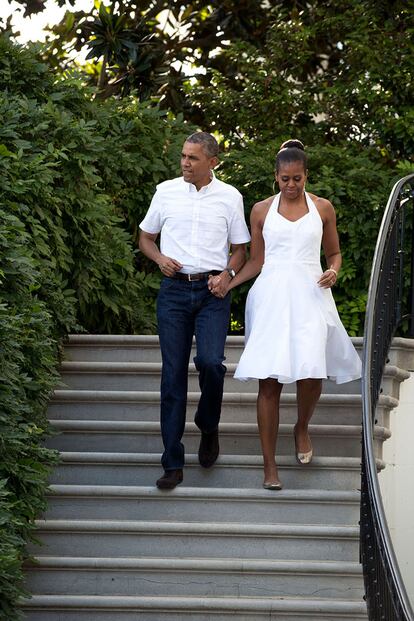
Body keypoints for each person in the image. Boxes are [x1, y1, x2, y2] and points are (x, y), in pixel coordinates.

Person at [210, 139, 361, 490]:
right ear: (275, 177)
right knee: (269, 382)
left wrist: (334, 271)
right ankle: (269, 466)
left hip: (311, 294)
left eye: (297, 178)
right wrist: (228, 283)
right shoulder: (261, 210)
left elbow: (334, 254)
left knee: (311, 374)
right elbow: (257, 260)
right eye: (285, 179)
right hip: (271, 298)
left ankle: (302, 426)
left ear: (306, 175)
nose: (291, 185)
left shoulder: (323, 208)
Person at [139, 131, 250, 490]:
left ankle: (208, 424)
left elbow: (240, 250)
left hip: (211, 293)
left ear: (212, 162)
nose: (185, 163)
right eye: (184, 156)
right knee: (172, 376)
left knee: (211, 364)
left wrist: (227, 275)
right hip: (173, 292)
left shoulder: (230, 197)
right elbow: (145, 238)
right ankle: (172, 462)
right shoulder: (165, 191)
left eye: (193, 158)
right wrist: (159, 259)